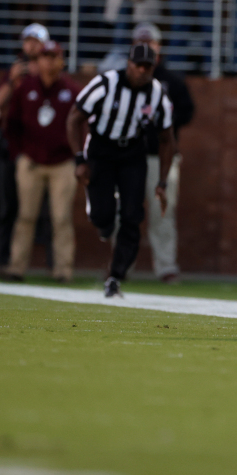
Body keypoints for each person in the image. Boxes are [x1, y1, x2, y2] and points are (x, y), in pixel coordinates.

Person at [67, 43, 176, 298]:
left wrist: (162, 182)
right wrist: (79, 159)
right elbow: (74, 118)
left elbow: (167, 139)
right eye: (138, 65)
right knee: (102, 217)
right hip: (101, 150)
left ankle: (116, 275)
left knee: (132, 216)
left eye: (148, 67)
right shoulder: (105, 83)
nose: (142, 71)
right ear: (128, 64)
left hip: (132, 153)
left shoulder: (157, 93)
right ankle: (103, 221)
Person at [4, 41, 80, 283]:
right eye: (44, 56)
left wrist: (78, 156)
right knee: (26, 216)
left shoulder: (72, 90)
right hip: (31, 161)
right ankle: (17, 267)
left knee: (61, 218)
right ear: (38, 61)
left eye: (53, 56)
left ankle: (63, 270)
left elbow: (82, 126)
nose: (48, 61)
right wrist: (19, 154)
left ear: (62, 60)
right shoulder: (26, 88)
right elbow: (12, 123)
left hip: (63, 162)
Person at [133, 22, 194, 283]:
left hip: (162, 157)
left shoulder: (171, 80)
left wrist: (162, 119)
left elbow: (188, 112)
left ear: (159, 47)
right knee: (124, 212)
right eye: (141, 43)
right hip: (130, 156)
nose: (146, 48)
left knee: (163, 213)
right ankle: (121, 264)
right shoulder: (124, 78)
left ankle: (166, 266)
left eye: (151, 43)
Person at [0, 22, 51, 270]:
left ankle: (51, 264)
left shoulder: (49, 73)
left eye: (36, 41)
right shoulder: (16, 71)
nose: (31, 45)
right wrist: (14, 81)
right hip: (13, 148)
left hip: (41, 149)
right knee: (9, 207)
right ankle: (5, 259)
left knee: (48, 212)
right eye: (28, 40)